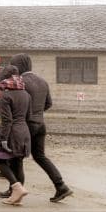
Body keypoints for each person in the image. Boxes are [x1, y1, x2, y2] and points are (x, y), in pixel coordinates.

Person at [10, 54, 73, 202]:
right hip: (40, 124)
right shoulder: (43, 82)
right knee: (40, 156)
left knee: (16, 158)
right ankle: (61, 186)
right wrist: (37, 113)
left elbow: (18, 102)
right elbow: (48, 103)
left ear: (18, 66)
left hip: (25, 125)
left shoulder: (20, 82)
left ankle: (16, 190)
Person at [0, 65, 32, 205]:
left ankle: (16, 187)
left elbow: (7, 120)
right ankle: (17, 196)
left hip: (11, 132)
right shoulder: (26, 94)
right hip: (24, 131)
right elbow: (29, 116)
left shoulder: (4, 95)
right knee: (18, 163)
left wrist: (2, 139)